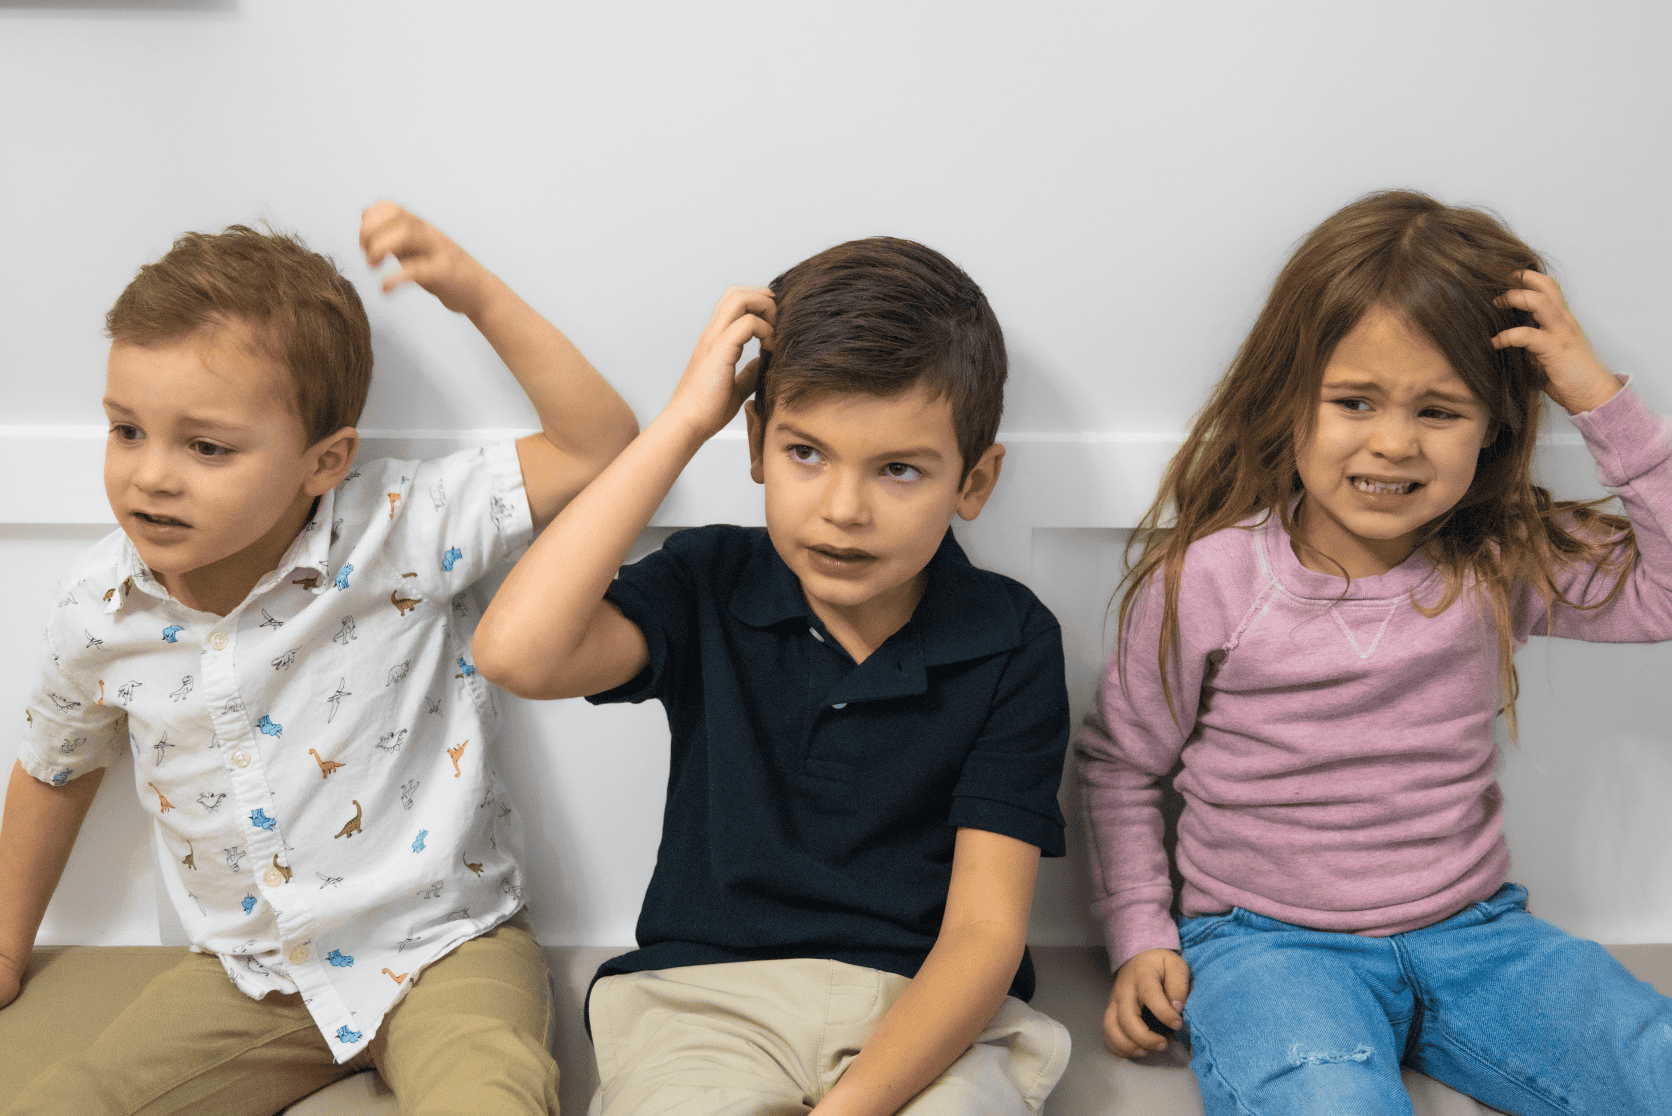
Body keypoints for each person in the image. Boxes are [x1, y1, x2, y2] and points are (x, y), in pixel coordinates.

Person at [0, 202, 637, 1115]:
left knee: (492, 1098)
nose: (151, 475)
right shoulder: (99, 612)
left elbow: (596, 442)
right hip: (254, 975)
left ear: (324, 462)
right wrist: (6, 945)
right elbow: (54, 770)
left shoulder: (399, 528)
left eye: (205, 445)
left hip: (447, 946)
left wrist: (470, 292)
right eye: (125, 430)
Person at [1081, 189, 1672, 1115]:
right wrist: (1140, 936)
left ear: (1495, 428)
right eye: (1354, 401)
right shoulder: (1211, 576)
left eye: (1440, 411)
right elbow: (1121, 767)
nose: (1393, 442)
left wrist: (1594, 393)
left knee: (1654, 1063)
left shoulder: (1502, 557)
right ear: (1291, 403)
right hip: (1266, 946)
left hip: (1480, 937)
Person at [473, 238, 1073, 1116]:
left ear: (973, 482)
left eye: (898, 469)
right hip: (702, 1006)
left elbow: (983, 936)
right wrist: (683, 422)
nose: (843, 509)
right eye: (806, 454)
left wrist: (853, 1108)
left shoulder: (1011, 637)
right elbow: (515, 652)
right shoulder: (707, 581)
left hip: (929, 1018)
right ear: (755, 444)